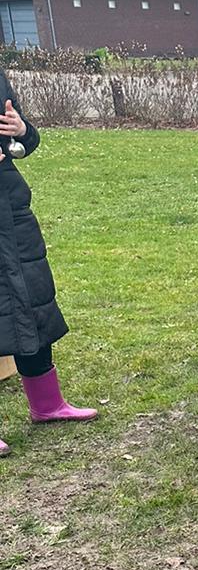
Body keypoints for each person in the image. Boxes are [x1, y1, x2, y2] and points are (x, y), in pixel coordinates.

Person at [0, 72, 96, 456]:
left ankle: (47, 404)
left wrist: (22, 130)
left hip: (10, 207)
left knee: (31, 300)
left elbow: (26, 140)